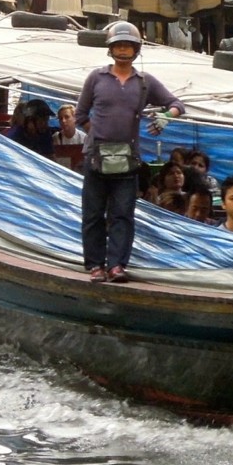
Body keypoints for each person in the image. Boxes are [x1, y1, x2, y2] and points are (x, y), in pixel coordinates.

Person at [76, 21, 185, 284]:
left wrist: (165, 117)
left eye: (128, 46)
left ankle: (116, 266)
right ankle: (95, 265)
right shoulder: (96, 78)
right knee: (93, 214)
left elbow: (177, 104)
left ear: (136, 50)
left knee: (123, 214)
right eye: (118, 46)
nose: (123, 51)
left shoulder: (145, 83)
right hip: (96, 158)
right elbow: (80, 115)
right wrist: (99, 137)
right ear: (111, 50)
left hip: (127, 160)